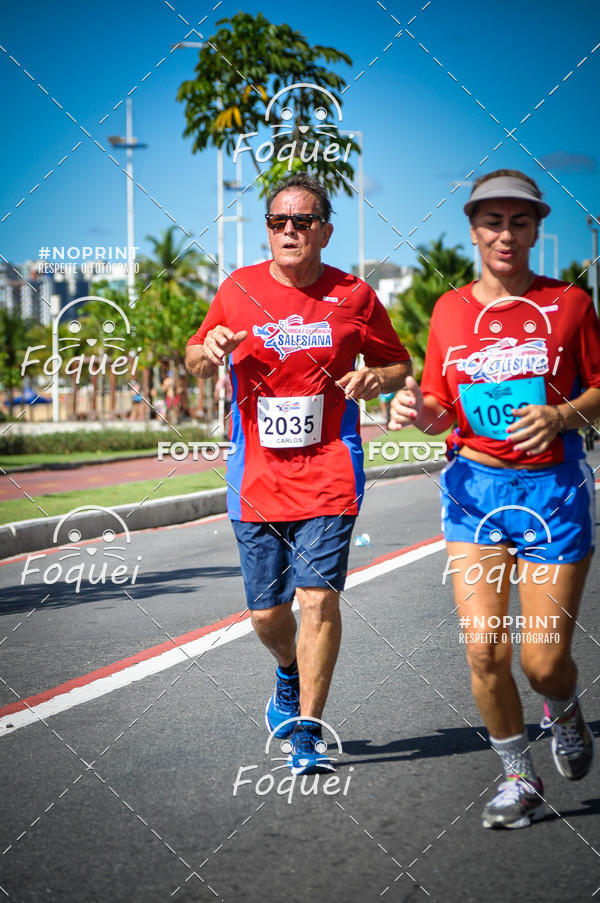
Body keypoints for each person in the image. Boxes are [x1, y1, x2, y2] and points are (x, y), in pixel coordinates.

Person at [390, 169, 600, 828]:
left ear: (537, 228)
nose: (504, 234)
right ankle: (519, 778)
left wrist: (563, 417)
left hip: (554, 491)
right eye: (491, 221)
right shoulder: (451, 309)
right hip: (475, 489)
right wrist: (412, 407)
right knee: (484, 647)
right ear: (474, 229)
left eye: (518, 221)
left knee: (541, 659)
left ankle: (564, 710)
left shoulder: (569, 303)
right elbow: (438, 404)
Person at [186, 173, 411, 774]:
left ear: (325, 231)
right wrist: (208, 352)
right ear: (267, 229)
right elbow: (195, 353)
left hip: (330, 469)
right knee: (266, 614)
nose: (288, 231)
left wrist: (376, 379)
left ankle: (309, 729)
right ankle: (286, 674)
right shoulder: (237, 289)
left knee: (317, 600)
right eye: (277, 221)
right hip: (256, 473)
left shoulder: (355, 295)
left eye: (302, 221)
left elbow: (398, 364)